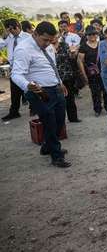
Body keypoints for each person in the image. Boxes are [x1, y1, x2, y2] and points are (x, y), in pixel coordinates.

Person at [11, 21, 71, 168]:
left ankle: (47, 146)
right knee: (49, 121)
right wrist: (28, 85)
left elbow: (52, 67)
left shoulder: (49, 46)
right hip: (39, 92)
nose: (48, 43)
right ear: (35, 34)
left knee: (59, 121)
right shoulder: (23, 49)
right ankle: (56, 156)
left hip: (55, 88)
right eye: (45, 40)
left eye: (51, 40)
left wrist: (60, 82)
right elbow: (16, 74)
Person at [0, 18, 31, 121]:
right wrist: (4, 35)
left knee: (29, 88)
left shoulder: (27, 37)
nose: (11, 32)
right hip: (14, 67)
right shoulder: (9, 37)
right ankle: (14, 112)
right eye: (9, 30)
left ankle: (34, 108)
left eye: (11, 29)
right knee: (14, 91)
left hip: (26, 67)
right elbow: (0, 45)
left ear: (17, 27)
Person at [78, 26, 107, 116]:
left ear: (97, 35)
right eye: (90, 34)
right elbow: (80, 61)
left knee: (106, 90)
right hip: (92, 74)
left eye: (94, 34)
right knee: (95, 92)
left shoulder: (102, 44)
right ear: (86, 36)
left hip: (104, 72)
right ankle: (97, 109)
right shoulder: (83, 46)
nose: (92, 36)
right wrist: (83, 75)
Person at [52, 30, 81, 123]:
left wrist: (73, 53)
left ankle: (73, 118)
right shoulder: (46, 47)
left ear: (58, 36)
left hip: (67, 75)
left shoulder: (64, 45)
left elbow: (71, 57)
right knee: (57, 100)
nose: (54, 37)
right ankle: (59, 120)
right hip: (54, 78)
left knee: (70, 98)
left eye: (55, 35)